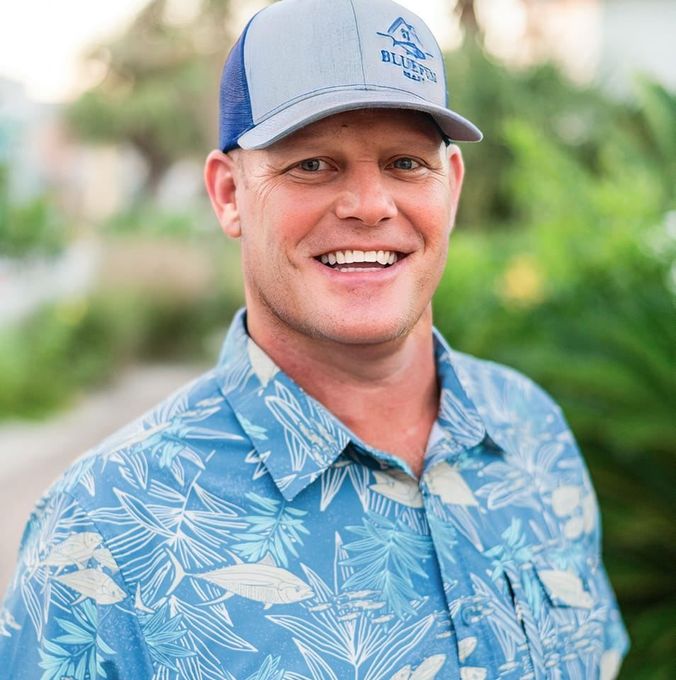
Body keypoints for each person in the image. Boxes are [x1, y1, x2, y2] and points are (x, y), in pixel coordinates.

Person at [0, 0, 629, 677]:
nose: (369, 204)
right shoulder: (105, 526)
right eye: (313, 165)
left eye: (405, 163)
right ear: (228, 194)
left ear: (451, 187)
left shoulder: (531, 431)